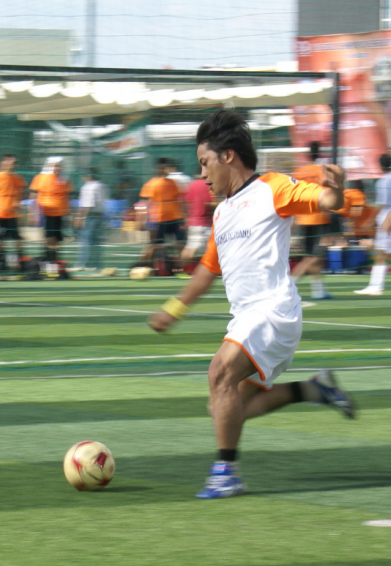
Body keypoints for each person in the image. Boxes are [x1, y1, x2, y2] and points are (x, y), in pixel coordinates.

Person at [148, 109, 354, 499]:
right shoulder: (222, 214)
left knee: (220, 371)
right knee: (225, 408)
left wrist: (336, 190)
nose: (202, 175)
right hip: (249, 319)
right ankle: (314, 390)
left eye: (205, 163)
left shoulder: (272, 187)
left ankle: (226, 472)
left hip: (273, 312)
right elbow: (207, 271)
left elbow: (324, 199)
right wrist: (173, 310)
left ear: (228, 156)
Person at [290, 142, 334, 299]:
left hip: (302, 218)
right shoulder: (322, 171)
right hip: (319, 217)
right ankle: (291, 284)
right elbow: (328, 190)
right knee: (315, 256)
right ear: (320, 153)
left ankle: (319, 291)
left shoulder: (299, 172)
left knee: (312, 256)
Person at [139, 157, 186, 272]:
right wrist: (141, 220)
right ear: (158, 168)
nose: (166, 169)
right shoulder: (150, 184)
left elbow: (179, 200)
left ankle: (182, 269)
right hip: (157, 220)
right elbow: (143, 204)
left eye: (167, 167)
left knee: (180, 244)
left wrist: (184, 217)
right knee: (154, 245)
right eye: (163, 167)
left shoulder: (173, 183)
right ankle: (141, 266)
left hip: (175, 219)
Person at [354, 153, 391, 295]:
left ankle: (376, 286)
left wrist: (369, 222)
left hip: (387, 218)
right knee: (383, 253)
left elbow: (383, 205)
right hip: (387, 217)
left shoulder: (384, 182)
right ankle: (376, 285)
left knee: (381, 253)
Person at [30, 156, 74, 265]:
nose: (57, 168)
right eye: (55, 166)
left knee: (57, 239)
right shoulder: (41, 177)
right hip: (46, 212)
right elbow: (33, 195)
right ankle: (49, 261)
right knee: (49, 238)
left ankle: (54, 261)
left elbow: (69, 196)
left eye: (59, 166)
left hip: (61, 213)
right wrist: (33, 212)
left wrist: (70, 213)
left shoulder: (65, 178)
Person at [179, 175, 217, 276]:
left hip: (192, 221)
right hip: (203, 221)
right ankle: (183, 269)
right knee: (194, 247)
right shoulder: (207, 186)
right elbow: (209, 203)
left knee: (193, 246)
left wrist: (186, 217)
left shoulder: (190, 185)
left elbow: (184, 202)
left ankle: (185, 269)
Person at [73, 167, 108, 272]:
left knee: (85, 240)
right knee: (96, 241)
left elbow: (88, 204)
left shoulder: (87, 187)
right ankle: (96, 264)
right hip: (100, 215)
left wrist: (81, 217)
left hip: (90, 216)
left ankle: (84, 263)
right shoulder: (102, 186)